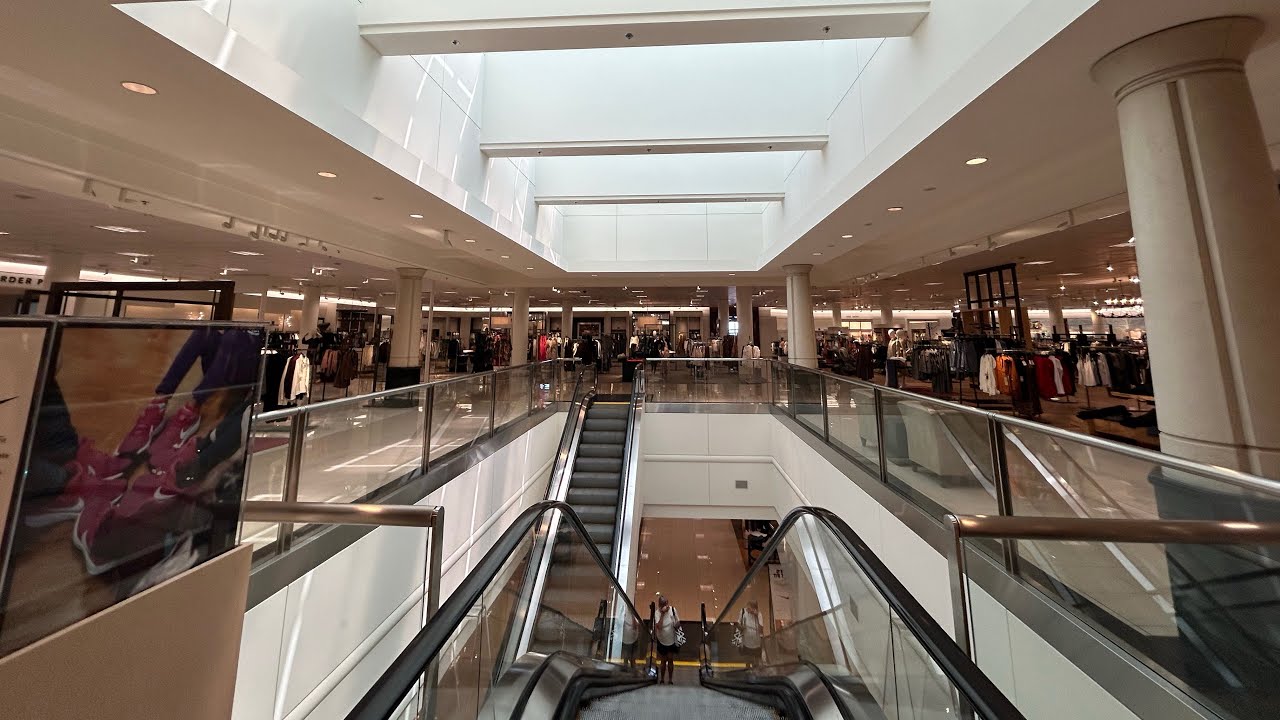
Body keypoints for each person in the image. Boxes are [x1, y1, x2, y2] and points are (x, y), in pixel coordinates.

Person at [654, 595, 681, 685]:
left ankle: (670, 679)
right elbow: (659, 627)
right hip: (662, 639)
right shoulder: (657, 613)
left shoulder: (673, 610)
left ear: (667, 603)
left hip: (671, 639)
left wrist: (676, 624)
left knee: (670, 659)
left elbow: (678, 622)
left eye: (664, 604)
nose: (663, 606)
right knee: (663, 660)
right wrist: (662, 614)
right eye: (661, 604)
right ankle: (662, 679)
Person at [738, 600, 764, 668]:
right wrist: (742, 627)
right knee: (747, 659)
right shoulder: (743, 612)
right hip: (746, 640)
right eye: (747, 608)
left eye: (749, 609)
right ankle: (748, 671)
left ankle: (757, 671)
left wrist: (757, 616)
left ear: (754, 609)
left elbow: (761, 630)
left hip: (756, 641)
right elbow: (738, 624)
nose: (748, 610)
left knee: (757, 660)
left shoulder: (759, 614)